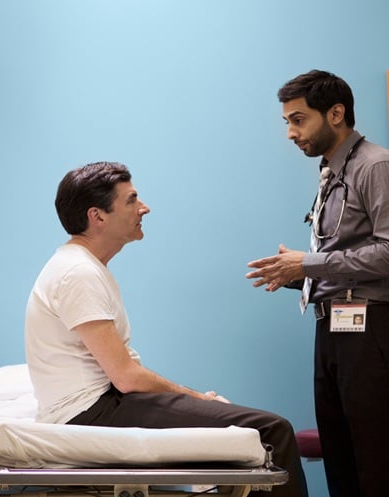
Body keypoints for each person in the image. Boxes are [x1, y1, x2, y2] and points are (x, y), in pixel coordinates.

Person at [25, 161, 308, 497]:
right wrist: (195, 397)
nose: (144, 208)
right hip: (90, 414)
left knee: (241, 428)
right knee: (270, 432)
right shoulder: (78, 274)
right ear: (97, 216)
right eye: (131, 201)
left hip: (98, 406)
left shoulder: (81, 266)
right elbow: (127, 377)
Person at [246, 70, 389, 497]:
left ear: (336, 113)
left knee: (379, 466)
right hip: (335, 329)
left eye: (298, 119)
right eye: (288, 121)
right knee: (341, 462)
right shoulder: (333, 172)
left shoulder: (379, 167)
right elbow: (347, 255)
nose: (290, 132)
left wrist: (308, 264)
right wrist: (293, 273)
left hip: (374, 329)